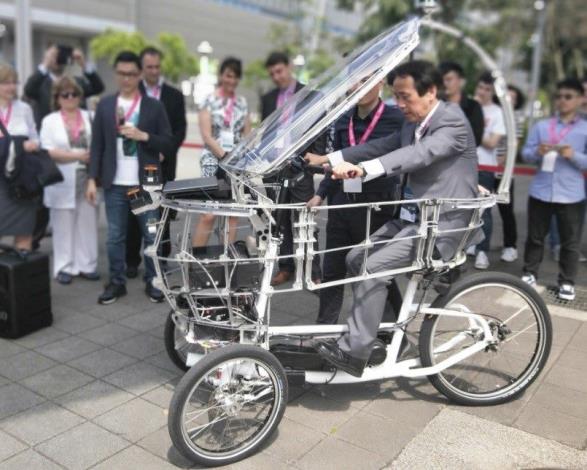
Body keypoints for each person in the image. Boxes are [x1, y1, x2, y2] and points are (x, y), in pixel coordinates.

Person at [312, 60, 480, 377]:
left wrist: (364, 170)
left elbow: (417, 155)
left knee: (374, 267)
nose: (399, 105)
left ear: (430, 91)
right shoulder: (411, 123)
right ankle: (389, 334)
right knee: (356, 258)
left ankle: (354, 351)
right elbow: (379, 147)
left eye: (405, 97)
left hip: (442, 226)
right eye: (396, 97)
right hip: (413, 219)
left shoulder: (451, 122)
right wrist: (328, 159)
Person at [305, 80, 404, 324]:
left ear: (380, 82)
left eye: (366, 81)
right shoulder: (343, 120)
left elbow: (385, 156)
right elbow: (333, 167)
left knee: (374, 272)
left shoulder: (395, 119)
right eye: (354, 81)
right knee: (332, 273)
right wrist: (320, 194)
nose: (358, 87)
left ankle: (394, 330)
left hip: (375, 207)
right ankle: (323, 333)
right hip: (341, 205)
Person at [87, 51, 173, 305]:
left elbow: (168, 142)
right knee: (115, 236)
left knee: (150, 234)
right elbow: (97, 146)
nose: (127, 79)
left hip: (145, 182)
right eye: (122, 73)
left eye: (132, 74)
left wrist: (143, 136)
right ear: (116, 74)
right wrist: (92, 179)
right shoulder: (105, 105)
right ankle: (116, 282)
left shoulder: (153, 106)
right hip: (114, 182)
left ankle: (154, 281)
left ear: (140, 75)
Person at [25, 44, 104, 251]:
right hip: (49, 142)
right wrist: (45, 63)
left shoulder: (75, 83)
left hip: (78, 141)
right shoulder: (42, 81)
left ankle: (81, 254)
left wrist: (82, 63)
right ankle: (34, 238)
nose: (69, 97)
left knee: (81, 205)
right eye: (56, 56)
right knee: (45, 197)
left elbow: (97, 87)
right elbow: (28, 90)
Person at [521, 78, 587, 301]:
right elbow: (526, 155)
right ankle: (529, 273)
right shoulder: (541, 126)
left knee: (570, 242)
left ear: (580, 99)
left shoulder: (585, 129)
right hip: (541, 191)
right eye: (559, 96)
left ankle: (567, 282)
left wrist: (574, 156)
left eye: (568, 96)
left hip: (571, 195)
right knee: (535, 238)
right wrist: (537, 152)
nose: (562, 101)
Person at [125, 46, 187, 279]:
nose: (153, 70)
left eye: (157, 66)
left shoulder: (174, 95)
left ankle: (162, 256)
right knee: (135, 210)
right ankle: (132, 260)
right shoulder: (131, 93)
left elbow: (180, 130)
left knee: (162, 212)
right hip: (135, 163)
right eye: (149, 67)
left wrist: (164, 152)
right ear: (142, 69)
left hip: (164, 163)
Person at [260, 51, 321, 286]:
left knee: (305, 220)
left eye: (279, 71)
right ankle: (286, 267)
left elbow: (318, 129)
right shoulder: (268, 98)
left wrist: (310, 161)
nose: (276, 76)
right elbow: (265, 132)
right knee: (280, 220)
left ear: (288, 67)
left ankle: (313, 270)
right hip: (274, 168)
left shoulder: (309, 94)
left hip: (299, 167)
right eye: (272, 73)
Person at [41, 76, 98, 284]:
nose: (70, 98)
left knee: (88, 222)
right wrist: (78, 156)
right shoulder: (49, 121)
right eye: (65, 94)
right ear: (57, 98)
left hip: (88, 178)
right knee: (63, 225)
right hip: (61, 180)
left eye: (74, 94)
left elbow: (99, 144)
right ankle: (64, 266)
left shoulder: (91, 116)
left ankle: (87, 265)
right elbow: (48, 151)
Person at [192, 57, 251, 249]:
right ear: (221, 75)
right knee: (209, 214)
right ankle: (196, 263)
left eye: (235, 77)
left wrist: (238, 159)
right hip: (212, 160)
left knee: (231, 213)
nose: (231, 81)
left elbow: (247, 135)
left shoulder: (242, 103)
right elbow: (207, 136)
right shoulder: (208, 101)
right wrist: (225, 158)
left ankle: (225, 262)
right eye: (228, 75)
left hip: (235, 165)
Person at [468, 71, 506, 270]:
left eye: (487, 89)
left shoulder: (497, 113)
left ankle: (483, 250)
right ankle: (469, 244)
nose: (482, 92)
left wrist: (473, 127)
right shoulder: (467, 107)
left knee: (485, 210)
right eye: (480, 87)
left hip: (485, 167)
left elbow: (492, 143)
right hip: (465, 165)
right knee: (464, 208)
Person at [0, 63, 40, 252]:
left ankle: (20, 280)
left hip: (22, 180)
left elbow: (35, 139)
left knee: (24, 234)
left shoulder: (24, 108)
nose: (11, 87)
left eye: (14, 82)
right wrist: (15, 145)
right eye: (5, 82)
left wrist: (30, 145)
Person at [491, 84, 525, 263]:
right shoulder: (492, 112)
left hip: (503, 173)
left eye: (513, 98)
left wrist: (498, 162)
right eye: (506, 96)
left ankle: (510, 246)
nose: (509, 100)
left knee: (506, 211)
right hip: (486, 169)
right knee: (482, 210)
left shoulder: (516, 118)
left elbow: (514, 144)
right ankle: (477, 245)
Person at [438, 61, 484, 146]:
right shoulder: (435, 105)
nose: (445, 84)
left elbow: (476, 139)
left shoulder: (473, 107)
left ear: (461, 81)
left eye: (449, 79)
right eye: (442, 80)